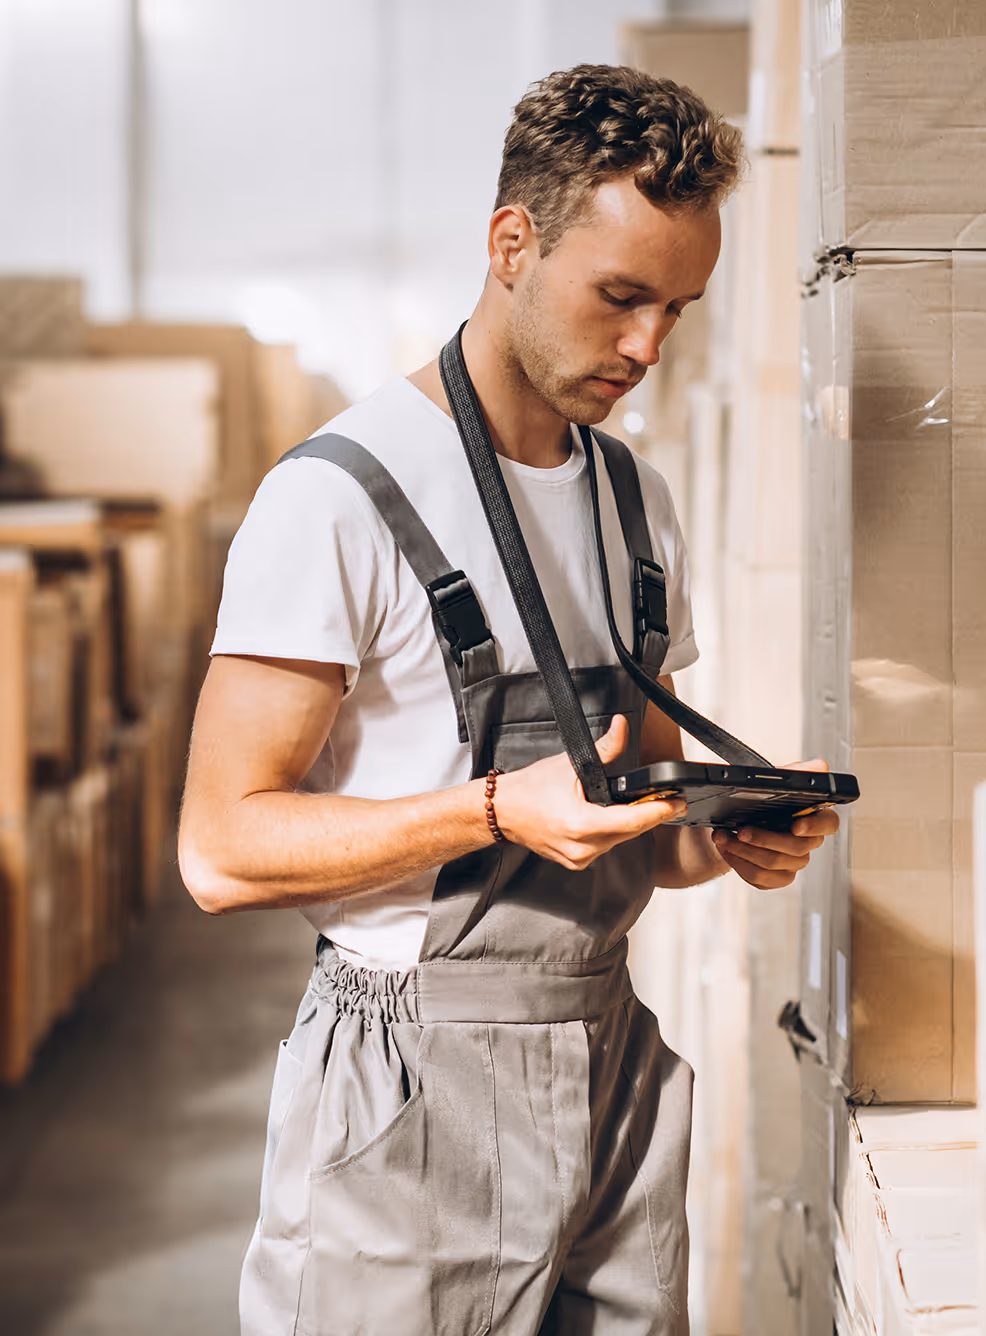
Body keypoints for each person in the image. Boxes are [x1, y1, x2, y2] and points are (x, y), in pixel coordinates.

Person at [179, 63, 839, 1336]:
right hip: (410, 1093)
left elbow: (630, 823)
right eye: (620, 297)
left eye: (680, 309)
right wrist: (490, 807)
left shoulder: (635, 505)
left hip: (608, 1064)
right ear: (510, 243)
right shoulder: (339, 497)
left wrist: (723, 837)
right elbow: (219, 847)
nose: (648, 346)